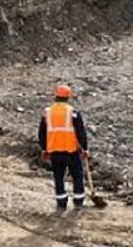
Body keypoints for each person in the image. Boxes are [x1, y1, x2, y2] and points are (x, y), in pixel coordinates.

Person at [38, 84, 89, 212]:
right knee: (77, 176)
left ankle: (61, 203)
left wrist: (44, 149)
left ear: (56, 96)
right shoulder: (73, 113)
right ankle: (78, 202)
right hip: (71, 151)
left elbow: (42, 133)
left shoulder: (47, 113)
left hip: (54, 151)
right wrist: (84, 148)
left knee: (58, 177)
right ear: (68, 97)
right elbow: (80, 132)